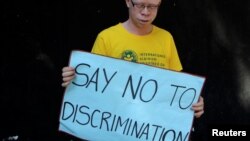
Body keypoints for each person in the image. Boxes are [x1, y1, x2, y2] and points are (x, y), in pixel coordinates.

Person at [62, 0, 204, 119]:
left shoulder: (166, 38)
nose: (146, 12)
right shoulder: (107, 38)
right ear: (128, 2)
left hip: (154, 127)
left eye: (153, 6)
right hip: (116, 125)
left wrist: (192, 102)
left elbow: (176, 85)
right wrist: (75, 79)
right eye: (141, 5)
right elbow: (92, 86)